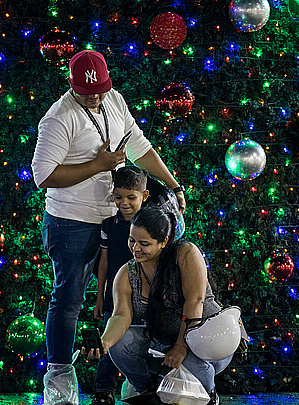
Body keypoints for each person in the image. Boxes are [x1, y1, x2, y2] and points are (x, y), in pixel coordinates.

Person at [31, 50, 186, 405]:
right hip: (71, 221)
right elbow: (44, 176)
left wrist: (173, 185)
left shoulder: (114, 100)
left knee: (129, 298)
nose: (96, 97)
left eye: (101, 89)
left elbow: (138, 145)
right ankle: (59, 383)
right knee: (68, 299)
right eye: (88, 93)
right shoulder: (59, 118)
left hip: (116, 221)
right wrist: (97, 164)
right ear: (72, 86)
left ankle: (132, 375)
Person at [88, 206, 230, 405]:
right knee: (119, 346)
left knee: (189, 363)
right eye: (132, 240)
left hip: (209, 341)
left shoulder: (185, 253)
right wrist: (105, 342)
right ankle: (149, 392)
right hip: (164, 343)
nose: (135, 248)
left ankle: (209, 395)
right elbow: (121, 316)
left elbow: (195, 301)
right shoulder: (126, 273)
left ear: (163, 242)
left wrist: (181, 347)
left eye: (144, 243)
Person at [92, 166, 149, 404]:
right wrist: (99, 297)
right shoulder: (109, 226)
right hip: (114, 296)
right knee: (109, 341)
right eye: (118, 197)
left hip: (144, 296)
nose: (124, 203)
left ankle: (144, 386)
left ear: (144, 196)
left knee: (143, 341)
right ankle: (104, 389)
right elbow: (103, 262)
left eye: (131, 197)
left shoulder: (151, 224)